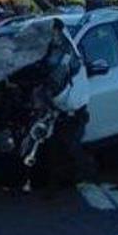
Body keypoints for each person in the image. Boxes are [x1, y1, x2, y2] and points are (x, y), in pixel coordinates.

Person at [37, 18, 96, 187]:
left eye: (54, 31)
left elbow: (56, 75)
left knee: (70, 146)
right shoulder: (51, 48)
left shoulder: (66, 51)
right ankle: (62, 179)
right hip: (61, 108)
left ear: (59, 32)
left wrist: (44, 89)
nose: (52, 35)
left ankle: (84, 176)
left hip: (73, 109)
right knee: (59, 146)